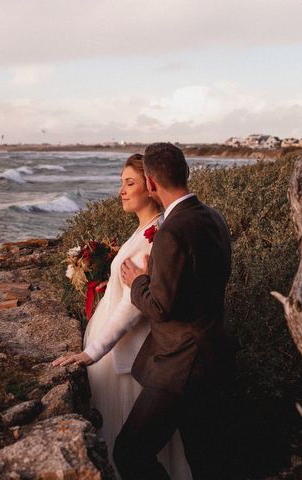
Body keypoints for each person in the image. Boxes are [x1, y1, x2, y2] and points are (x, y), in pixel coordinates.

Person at [52, 154, 192, 480]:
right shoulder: (143, 230)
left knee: (126, 444)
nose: (121, 192)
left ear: (151, 185)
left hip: (124, 358)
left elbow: (133, 307)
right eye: (121, 183)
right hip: (116, 353)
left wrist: (90, 353)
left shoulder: (154, 235)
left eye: (129, 183)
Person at [117, 143, 235, 480]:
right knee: (206, 461)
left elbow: (160, 305)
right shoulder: (213, 216)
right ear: (184, 173)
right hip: (215, 353)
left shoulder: (172, 231)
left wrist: (137, 281)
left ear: (151, 183)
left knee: (129, 451)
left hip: (182, 365)